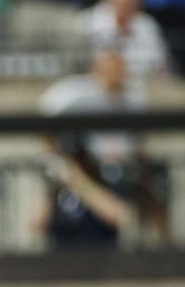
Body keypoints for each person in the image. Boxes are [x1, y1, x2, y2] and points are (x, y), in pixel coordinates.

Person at [36, 48, 169, 251]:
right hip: (80, 171)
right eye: (110, 69)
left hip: (120, 173)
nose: (116, 75)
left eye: (120, 69)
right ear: (97, 70)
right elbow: (43, 130)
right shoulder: (74, 96)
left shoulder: (133, 99)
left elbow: (138, 143)